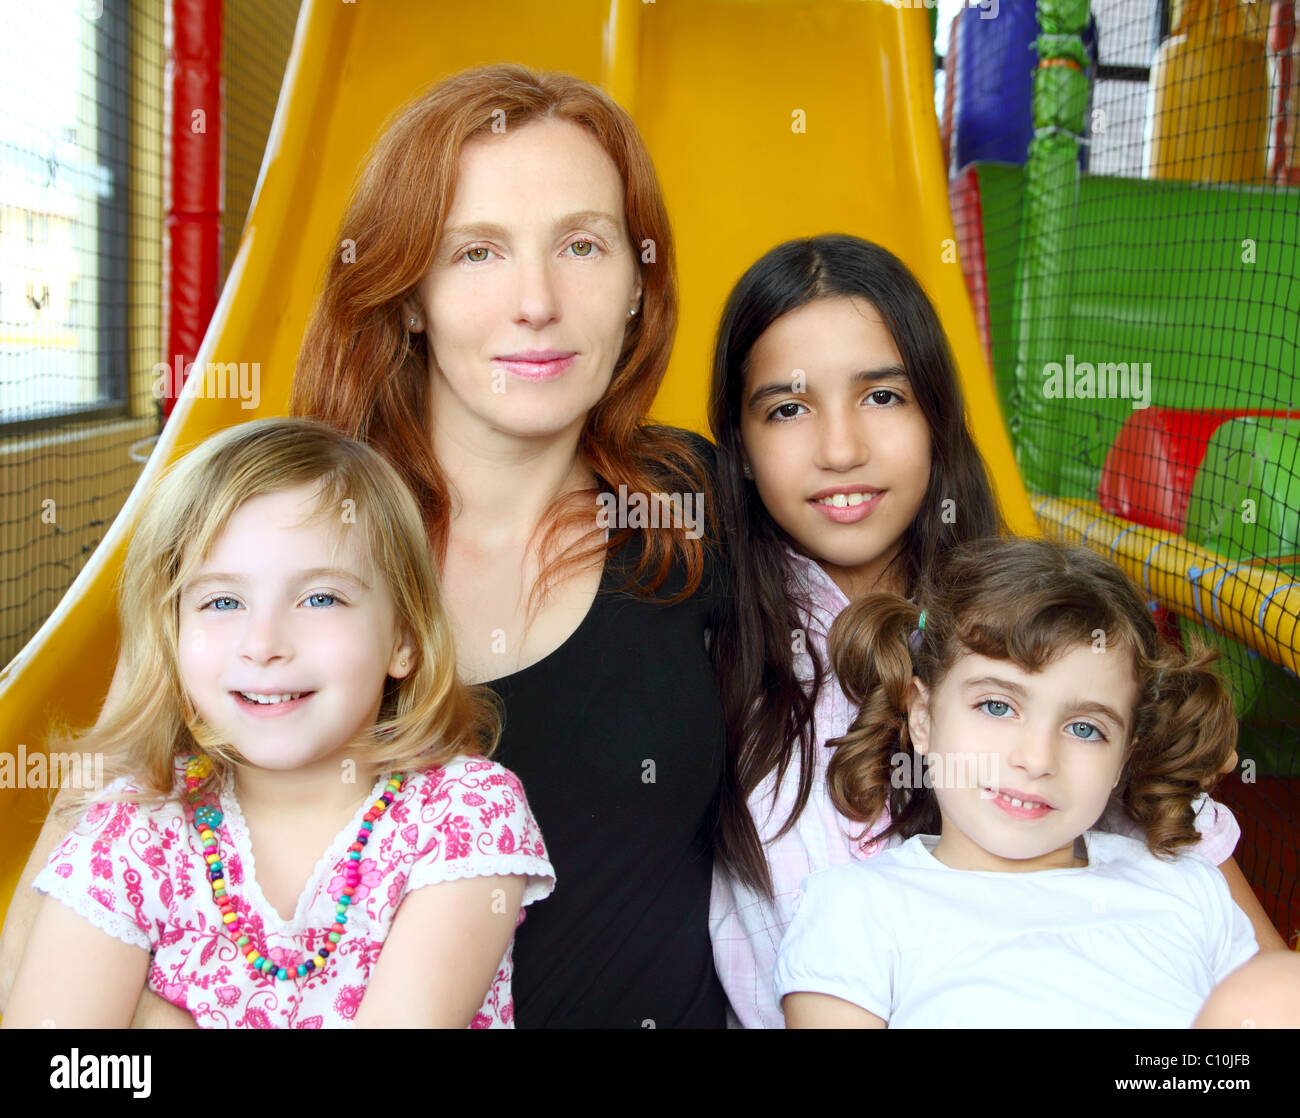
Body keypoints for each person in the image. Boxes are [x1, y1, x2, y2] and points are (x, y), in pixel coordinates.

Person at [706, 235, 1283, 1028]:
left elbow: (1252, 969)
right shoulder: (710, 653)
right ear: (738, 448)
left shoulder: (1037, 624)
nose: (840, 450)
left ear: (938, 415)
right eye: (788, 408)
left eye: (882, 397)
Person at [288, 65, 727, 1027]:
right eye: (477, 253)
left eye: (581, 244)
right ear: (408, 295)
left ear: (635, 288)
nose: (537, 301)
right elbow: (90, 869)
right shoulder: (288, 535)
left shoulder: (691, 502)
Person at [1, 419, 553, 1028]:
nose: (263, 644)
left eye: (320, 598)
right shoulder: (132, 830)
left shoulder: (464, 816)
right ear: (173, 640)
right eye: (222, 602)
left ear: (404, 637)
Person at [775, 537, 1300, 1028]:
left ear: (1124, 758)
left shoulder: (1186, 888)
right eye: (997, 706)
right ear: (923, 720)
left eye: (1084, 728)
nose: (1035, 758)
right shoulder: (858, 908)